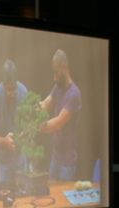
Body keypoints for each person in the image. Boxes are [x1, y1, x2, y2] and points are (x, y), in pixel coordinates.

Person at [40, 49, 82, 181]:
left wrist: (36, 127)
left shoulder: (74, 94)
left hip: (67, 163)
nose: (54, 77)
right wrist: (29, 109)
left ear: (64, 67)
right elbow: (45, 104)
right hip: (56, 158)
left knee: (63, 193)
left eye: (56, 72)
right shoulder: (58, 87)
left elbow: (58, 123)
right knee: (51, 190)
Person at [0, 59, 28, 190]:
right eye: (8, 89)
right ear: (3, 85)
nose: (11, 93)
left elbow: (30, 123)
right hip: (4, 156)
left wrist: (24, 135)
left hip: (21, 153)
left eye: (13, 89)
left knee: (24, 191)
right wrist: (4, 141)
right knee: (6, 193)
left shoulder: (23, 92)